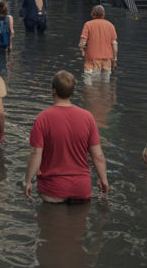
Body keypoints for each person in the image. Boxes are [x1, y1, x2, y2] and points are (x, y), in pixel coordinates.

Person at [22, 71, 110, 203]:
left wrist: (28, 181)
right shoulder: (88, 117)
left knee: (51, 222)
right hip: (81, 189)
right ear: (72, 92)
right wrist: (104, 181)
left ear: (53, 91)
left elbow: (35, 154)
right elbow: (97, 156)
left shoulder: (42, 118)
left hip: (52, 189)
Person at [78, 5, 117, 76]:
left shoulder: (88, 25)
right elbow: (114, 43)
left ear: (93, 14)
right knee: (104, 84)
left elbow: (83, 41)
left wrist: (81, 50)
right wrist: (114, 57)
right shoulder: (110, 25)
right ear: (103, 14)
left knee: (89, 83)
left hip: (92, 60)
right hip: (107, 60)